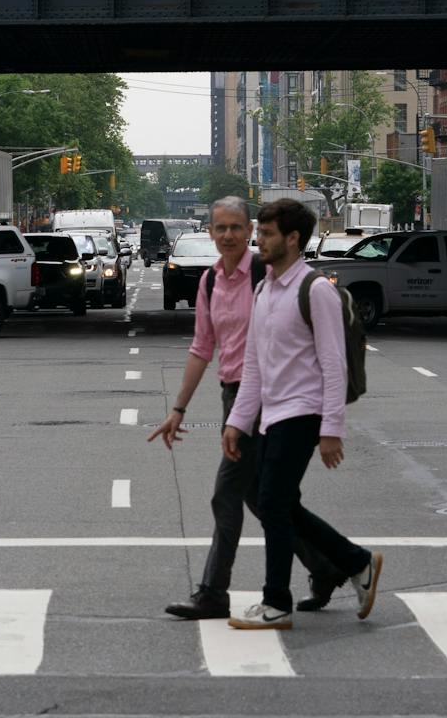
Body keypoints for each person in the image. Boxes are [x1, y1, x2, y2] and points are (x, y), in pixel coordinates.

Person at [148, 198, 335, 621]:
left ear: (250, 229)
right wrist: (178, 408)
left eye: (236, 227)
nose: (228, 235)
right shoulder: (210, 283)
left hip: (273, 399)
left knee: (228, 494)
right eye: (220, 228)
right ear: (210, 232)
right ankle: (328, 566)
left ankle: (214, 592)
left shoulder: (265, 274)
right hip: (236, 396)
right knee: (267, 499)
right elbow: (202, 347)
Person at [222, 198, 383, 631]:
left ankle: (276, 602)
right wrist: (238, 422)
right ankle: (357, 562)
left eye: (268, 234)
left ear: (293, 239)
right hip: (273, 414)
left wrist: (332, 428)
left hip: (304, 411)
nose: (259, 240)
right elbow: (253, 366)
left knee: (272, 502)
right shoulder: (264, 290)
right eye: (261, 232)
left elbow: (334, 364)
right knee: (280, 502)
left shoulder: (316, 291)